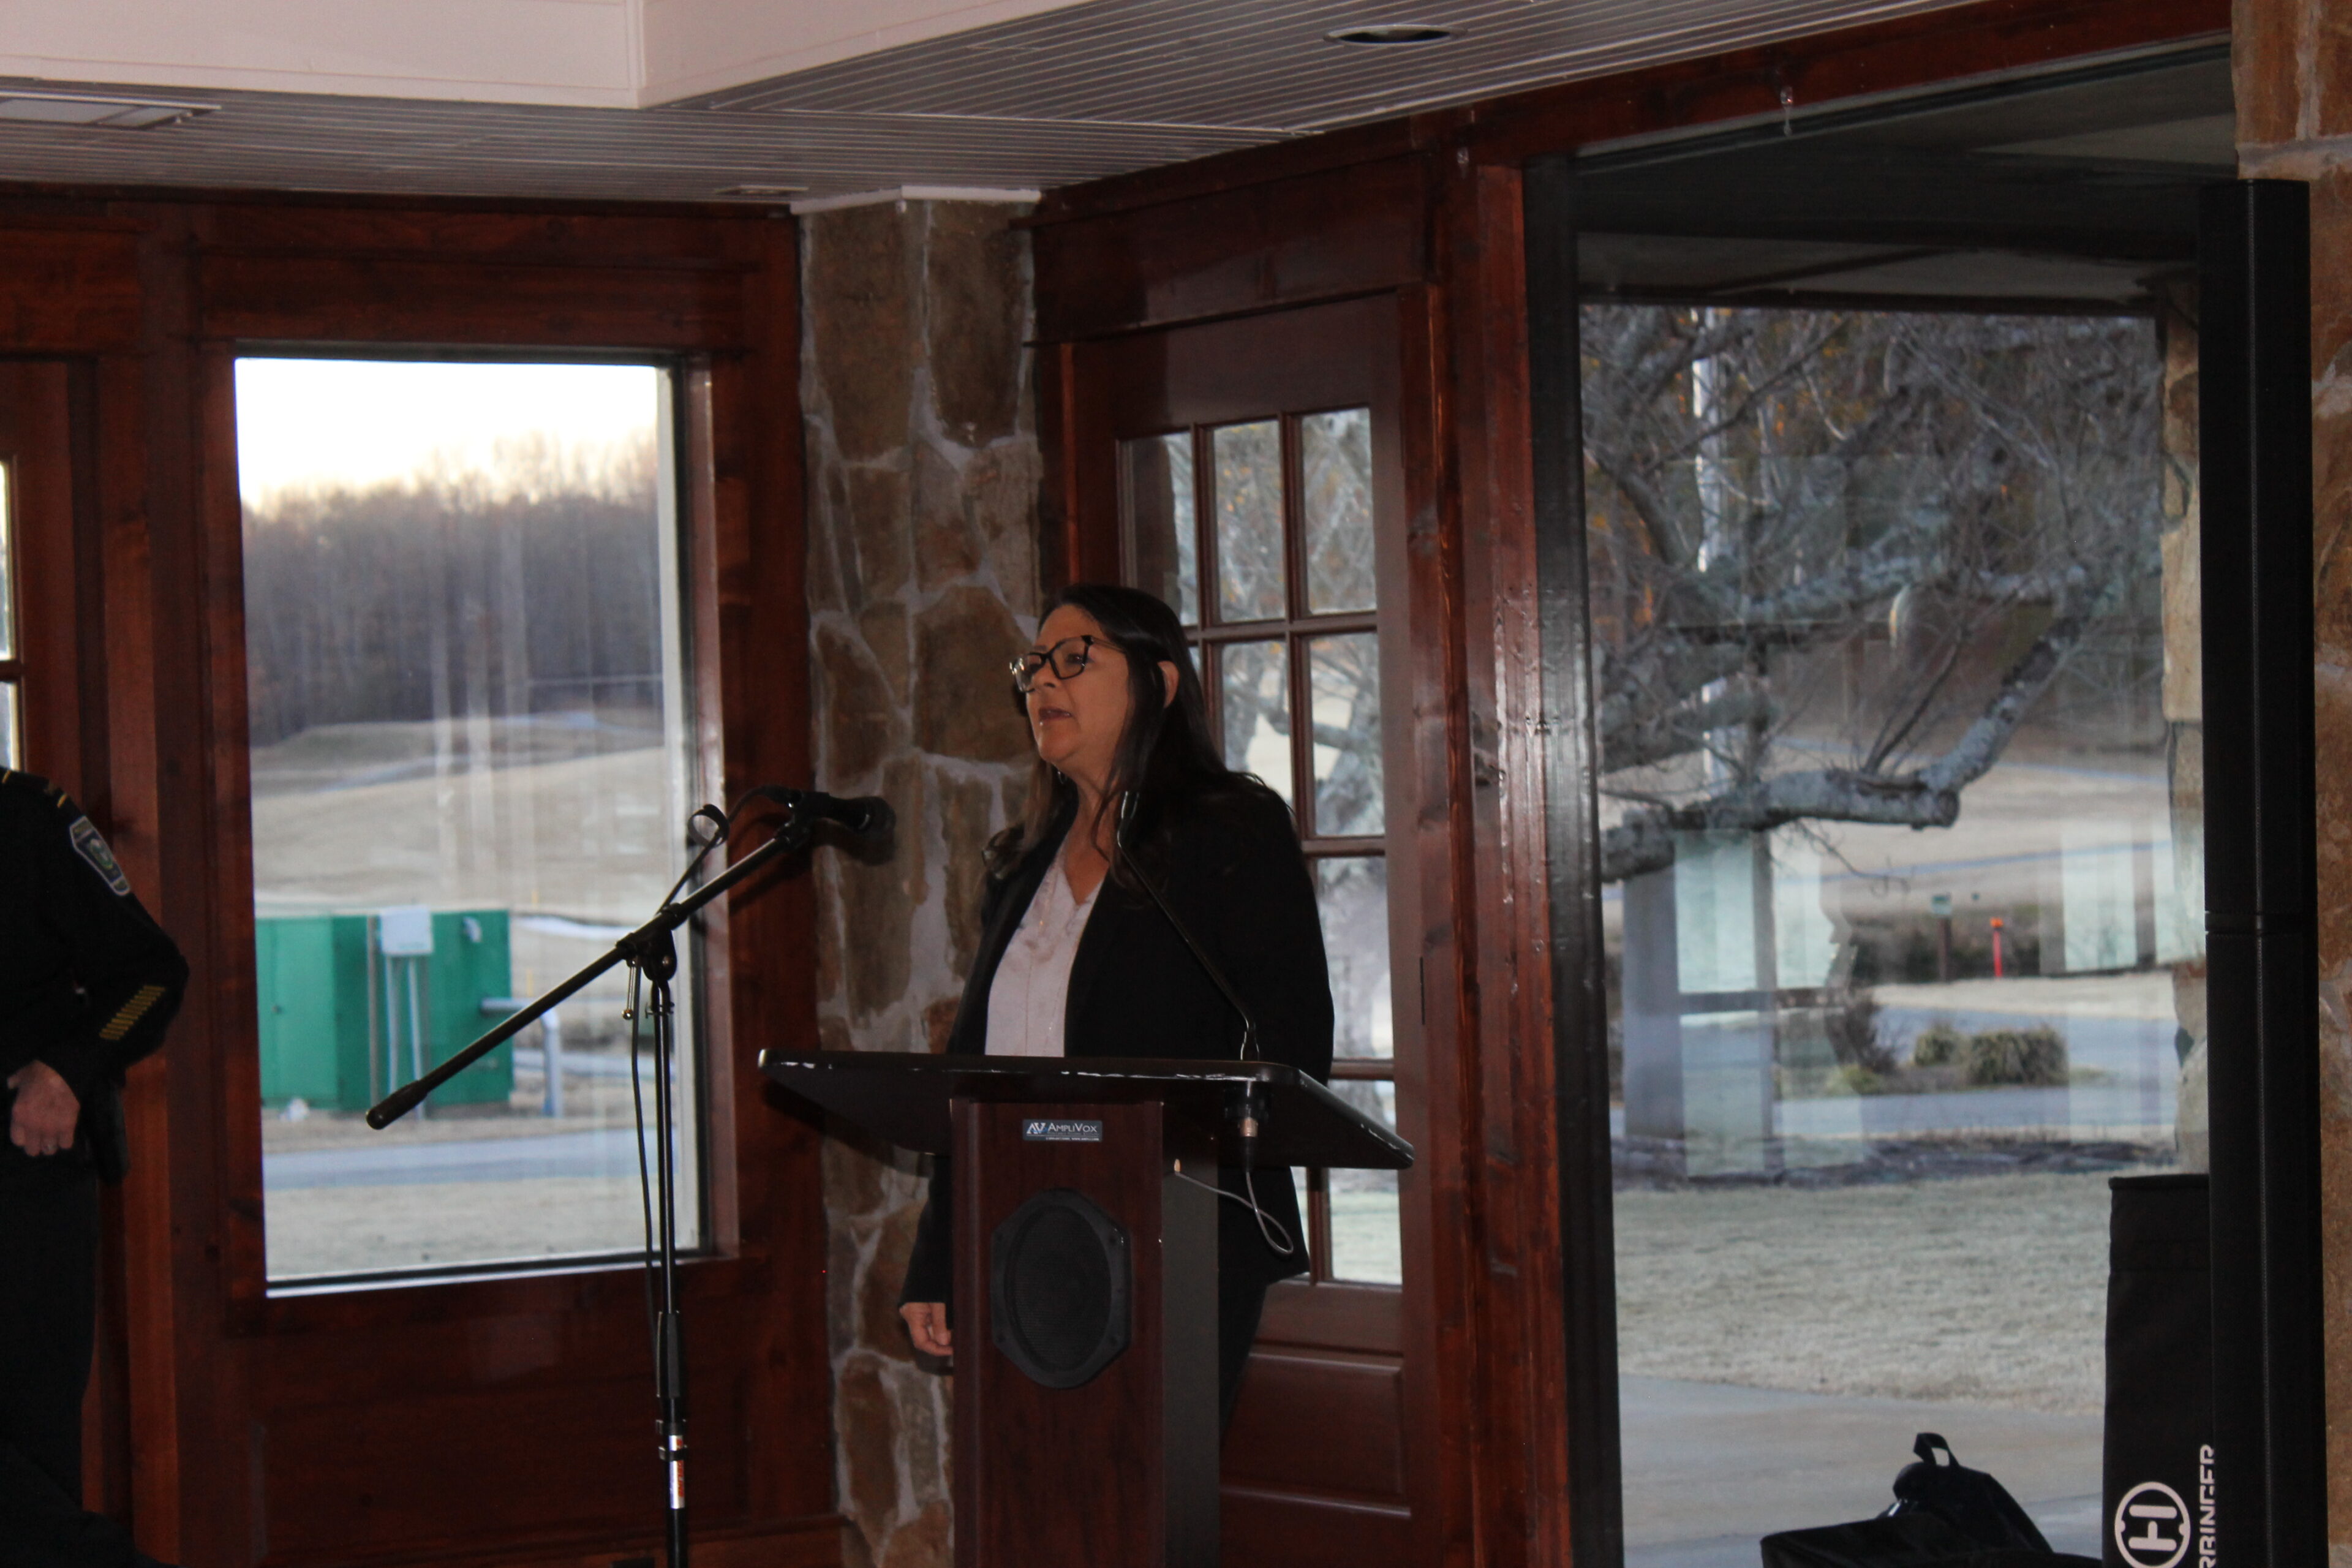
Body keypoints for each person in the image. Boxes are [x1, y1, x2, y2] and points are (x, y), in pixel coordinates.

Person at [897, 584, 1334, 1427]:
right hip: (1023, 1239)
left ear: (1158, 683)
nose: (1042, 682)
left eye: (1074, 659)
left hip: (1179, 1235)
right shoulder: (1019, 865)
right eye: (1033, 666)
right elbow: (974, 1080)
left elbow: (1290, 1043)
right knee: (1029, 1487)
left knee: (1144, 1490)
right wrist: (938, 1259)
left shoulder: (1230, 833)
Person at [1, 767, 188, 1568]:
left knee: (31, 1447)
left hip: (22, 1178)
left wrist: (70, 1069)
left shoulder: (22, 820)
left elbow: (151, 976)